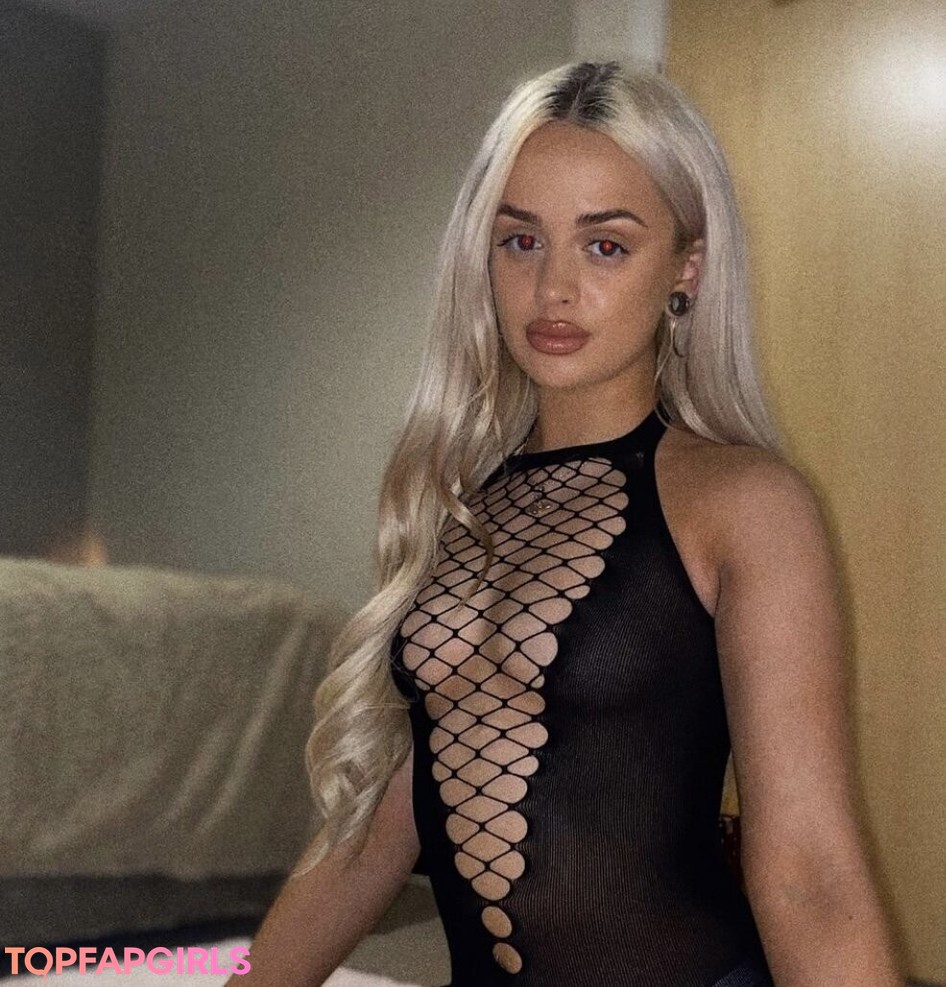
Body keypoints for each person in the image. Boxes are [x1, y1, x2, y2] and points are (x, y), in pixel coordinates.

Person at [230, 62, 903, 987]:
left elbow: (809, 875)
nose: (552, 287)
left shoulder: (744, 503)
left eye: (606, 246)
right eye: (520, 241)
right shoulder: (460, 503)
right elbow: (389, 819)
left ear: (686, 267)